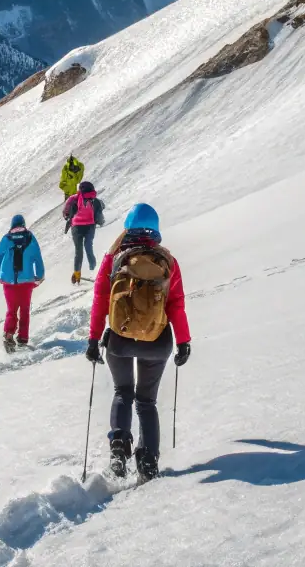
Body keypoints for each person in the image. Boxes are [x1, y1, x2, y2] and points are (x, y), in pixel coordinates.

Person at [85, 203, 190, 483]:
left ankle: (119, 449)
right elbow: (176, 304)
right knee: (147, 401)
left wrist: (94, 339)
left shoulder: (116, 258)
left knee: (123, 391)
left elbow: (100, 302)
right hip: (157, 342)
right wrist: (184, 341)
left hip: (120, 340)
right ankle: (148, 460)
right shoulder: (167, 260)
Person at [0, 213, 45, 353]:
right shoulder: (30, 238)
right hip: (27, 281)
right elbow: (38, 258)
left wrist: (0, 277)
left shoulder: (6, 239)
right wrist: (39, 277)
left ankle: (9, 335)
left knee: (11, 310)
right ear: (23, 224)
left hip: (9, 282)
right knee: (25, 310)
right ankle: (23, 338)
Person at [63, 180, 104, 283]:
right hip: (85, 226)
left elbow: (65, 212)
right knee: (85, 247)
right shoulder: (91, 199)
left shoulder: (75, 199)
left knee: (82, 248)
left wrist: (67, 216)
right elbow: (101, 208)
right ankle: (89, 270)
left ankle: (83, 271)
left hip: (81, 226)